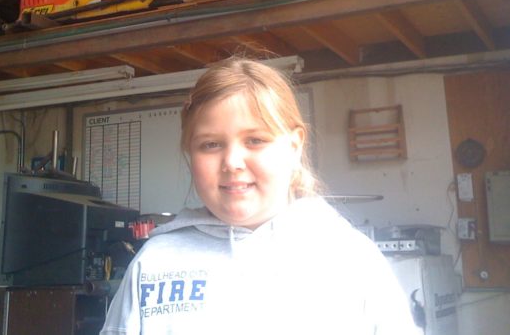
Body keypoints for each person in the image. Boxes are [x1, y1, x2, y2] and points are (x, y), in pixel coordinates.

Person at [100, 58, 419, 334]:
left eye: (255, 140)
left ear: (294, 147)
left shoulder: (351, 259)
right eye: (210, 144)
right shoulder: (154, 263)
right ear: (189, 153)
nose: (232, 162)